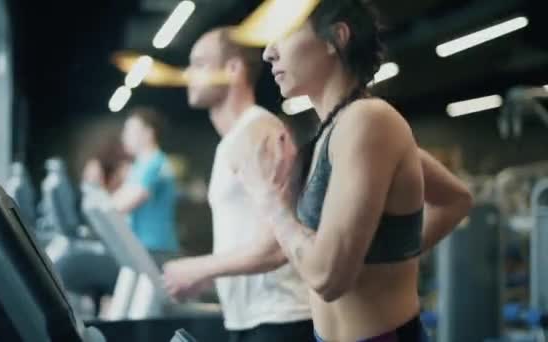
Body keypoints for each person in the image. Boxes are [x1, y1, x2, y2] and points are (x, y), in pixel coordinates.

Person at [235, 0, 473, 341]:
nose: (268, 53)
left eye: (283, 35)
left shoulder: (368, 121)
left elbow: (327, 278)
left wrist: (271, 202)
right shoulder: (336, 131)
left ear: (337, 37)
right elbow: (456, 198)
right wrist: (388, 257)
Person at [163, 27, 316, 342]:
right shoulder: (232, 141)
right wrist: (212, 275)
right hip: (250, 319)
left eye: (201, 63)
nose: (189, 73)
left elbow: (276, 247)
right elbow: (246, 239)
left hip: (280, 320)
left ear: (233, 69)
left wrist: (199, 268)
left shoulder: (259, 132)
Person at [85, 107, 180, 265]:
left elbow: (120, 205)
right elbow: (116, 200)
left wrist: (97, 200)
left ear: (148, 133)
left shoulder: (153, 163)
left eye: (130, 131)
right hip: (143, 248)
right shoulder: (140, 165)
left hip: (154, 250)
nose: (124, 136)